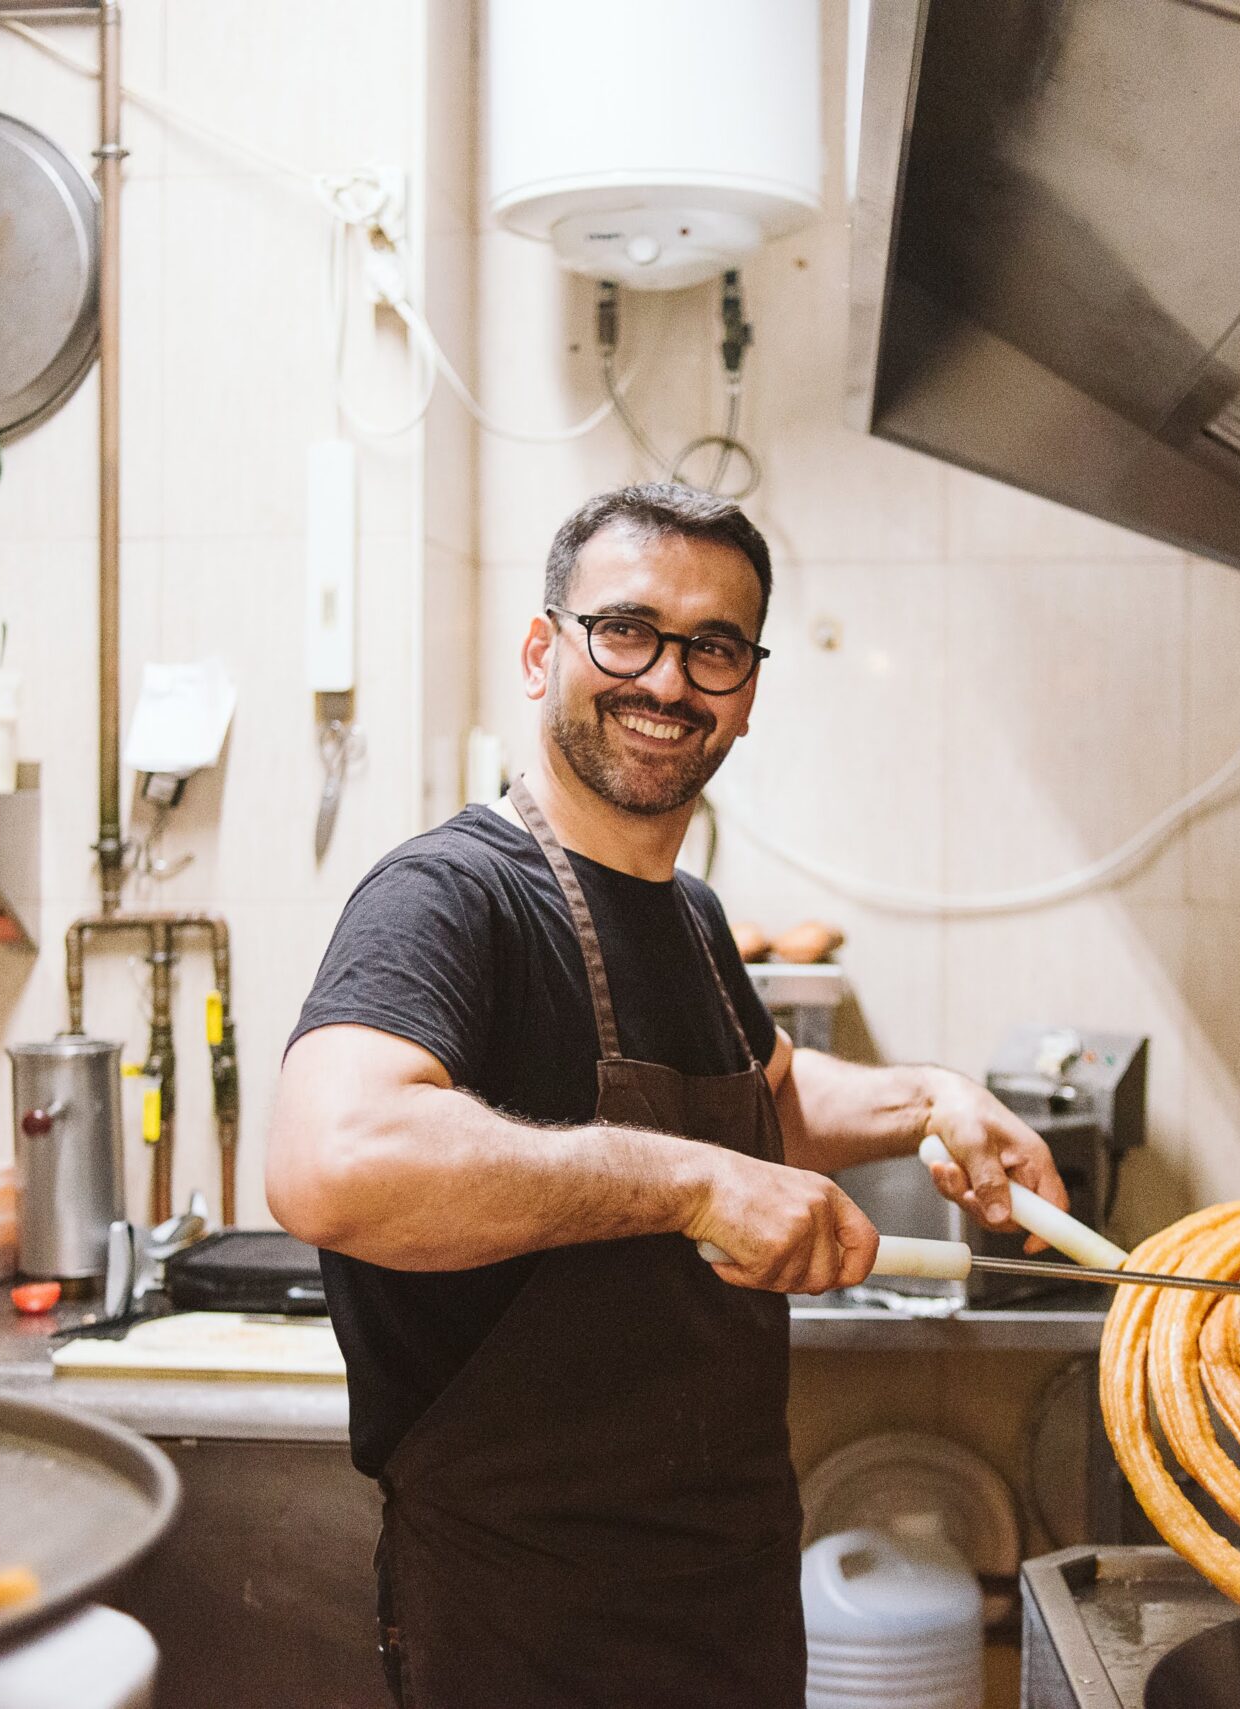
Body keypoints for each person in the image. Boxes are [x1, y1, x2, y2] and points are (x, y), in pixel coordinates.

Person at [269, 483, 1069, 1708]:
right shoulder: (448, 893)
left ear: (748, 689)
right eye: (626, 629)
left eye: (715, 648)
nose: (668, 680)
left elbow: (767, 1104)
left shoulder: (691, 919)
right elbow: (333, 1158)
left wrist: (928, 1097)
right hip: (529, 1626)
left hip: (729, 1595)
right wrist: (691, 1183)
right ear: (544, 649)